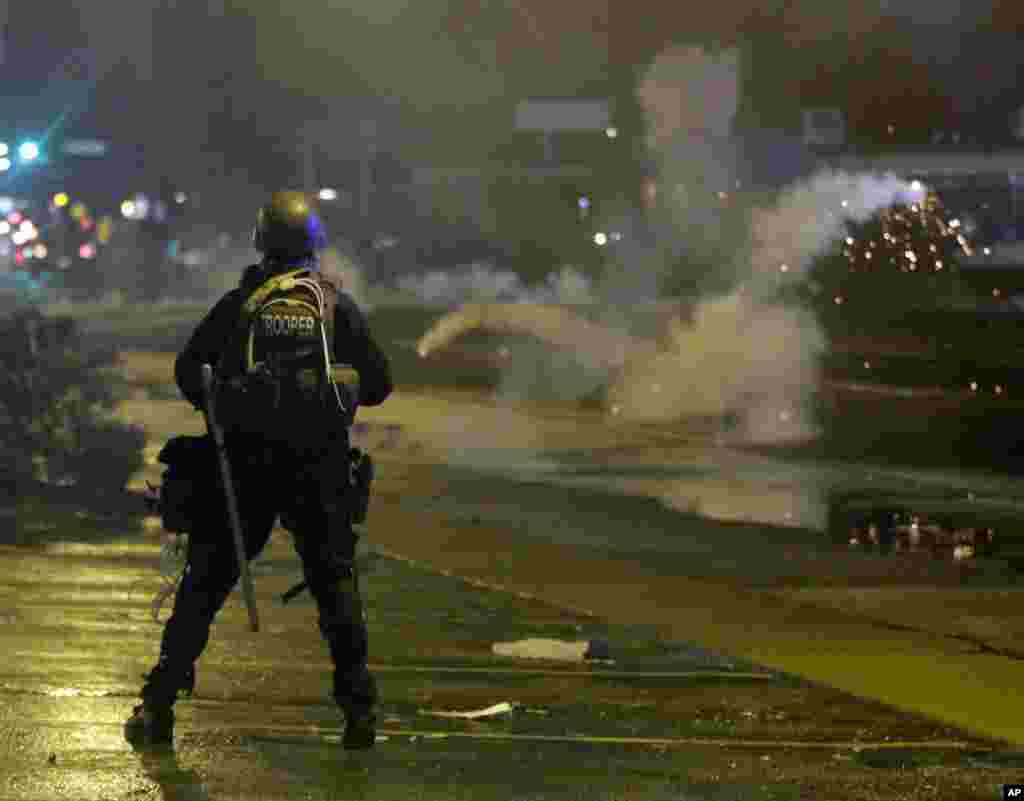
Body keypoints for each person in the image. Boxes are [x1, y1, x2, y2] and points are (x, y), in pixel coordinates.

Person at [125, 191, 392, 749]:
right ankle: (359, 712)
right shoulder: (333, 307)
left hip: (243, 468)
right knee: (336, 589)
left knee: (202, 587)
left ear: (262, 243)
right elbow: (381, 384)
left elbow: (186, 368)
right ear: (314, 247)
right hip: (317, 469)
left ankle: (159, 704)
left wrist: (223, 398)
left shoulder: (242, 303)